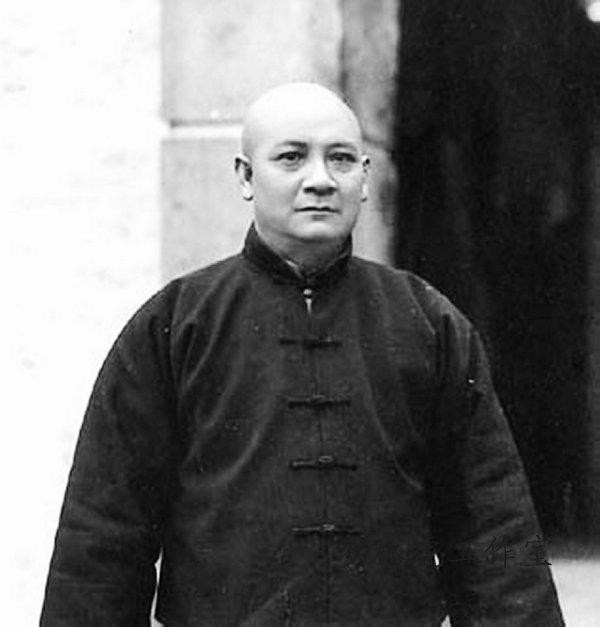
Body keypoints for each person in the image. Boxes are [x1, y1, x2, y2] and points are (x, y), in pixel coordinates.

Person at [41, 82, 563, 625]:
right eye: (291, 157)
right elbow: (102, 539)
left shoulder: (428, 323)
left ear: (365, 177)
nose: (320, 179)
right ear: (246, 176)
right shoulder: (175, 326)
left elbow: (496, 528)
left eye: (341, 159)